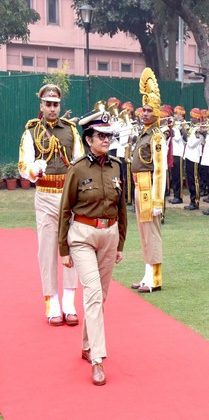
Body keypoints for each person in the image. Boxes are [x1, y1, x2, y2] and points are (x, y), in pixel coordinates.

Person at [58, 113, 127, 386]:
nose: (106, 140)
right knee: (93, 294)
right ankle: (97, 359)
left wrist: (120, 242)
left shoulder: (117, 167)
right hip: (82, 236)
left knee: (101, 297)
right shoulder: (77, 169)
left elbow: (122, 207)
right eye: (101, 136)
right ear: (88, 140)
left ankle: (87, 345)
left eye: (109, 135)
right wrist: (63, 249)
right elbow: (65, 209)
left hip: (109, 235)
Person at [18, 83, 84, 326]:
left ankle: (69, 302)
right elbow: (23, 165)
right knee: (46, 250)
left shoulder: (71, 131)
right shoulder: (31, 132)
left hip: (69, 196)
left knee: (72, 247)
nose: (52, 108)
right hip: (45, 194)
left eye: (56, 104)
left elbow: (79, 161)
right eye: (48, 104)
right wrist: (34, 170)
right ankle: (52, 302)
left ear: (60, 105)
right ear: (41, 105)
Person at [130, 68, 167, 293]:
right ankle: (146, 275)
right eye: (143, 109)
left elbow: (161, 170)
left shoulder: (156, 136)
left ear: (157, 114)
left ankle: (155, 278)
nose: (144, 113)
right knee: (144, 233)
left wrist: (157, 201)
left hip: (149, 186)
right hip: (138, 185)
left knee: (152, 233)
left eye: (148, 110)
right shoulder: (143, 133)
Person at [183, 108, 205, 210]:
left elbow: (191, 144)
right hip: (188, 156)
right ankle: (192, 201)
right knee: (190, 180)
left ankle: (195, 201)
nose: (191, 119)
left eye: (192, 117)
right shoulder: (193, 128)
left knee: (194, 180)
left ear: (197, 118)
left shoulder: (199, 129)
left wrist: (185, 133)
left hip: (194, 158)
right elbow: (186, 141)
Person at [168, 106, 188, 205]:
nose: (175, 115)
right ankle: (175, 195)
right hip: (172, 152)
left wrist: (175, 128)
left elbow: (179, 138)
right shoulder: (174, 124)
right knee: (174, 176)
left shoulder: (184, 124)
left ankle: (179, 196)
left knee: (178, 176)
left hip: (179, 153)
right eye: (175, 113)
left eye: (177, 114)